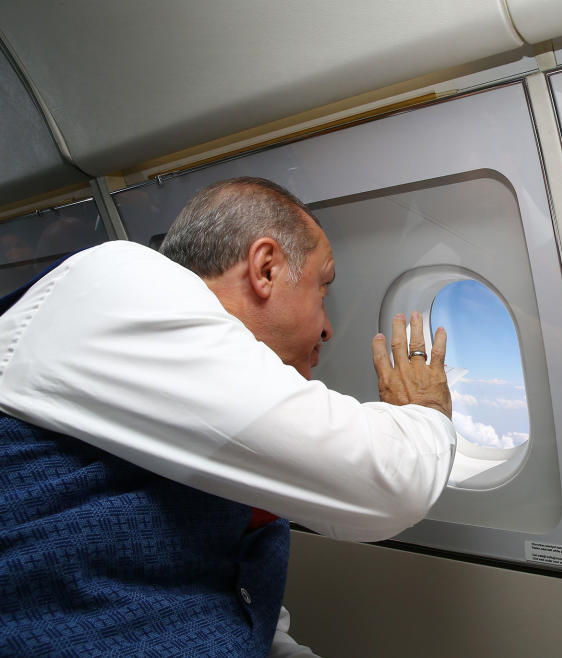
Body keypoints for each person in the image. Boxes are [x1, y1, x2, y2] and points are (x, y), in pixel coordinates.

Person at [0, 177, 456, 656]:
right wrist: (424, 409)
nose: (327, 328)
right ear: (265, 268)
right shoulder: (122, 284)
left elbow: (241, 609)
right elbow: (390, 484)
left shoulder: (207, 421)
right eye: (323, 289)